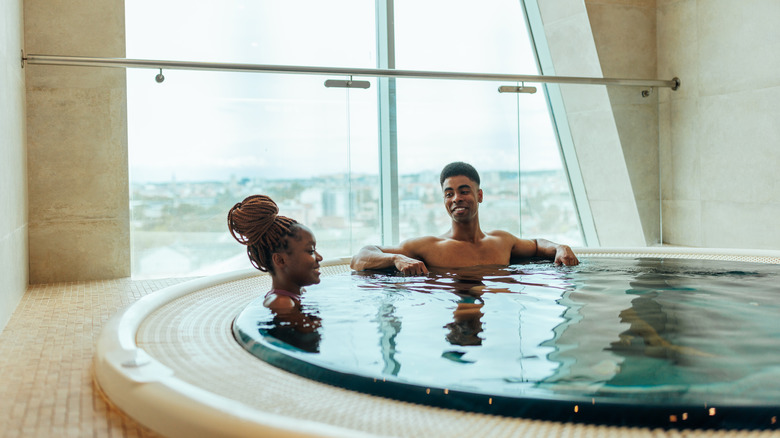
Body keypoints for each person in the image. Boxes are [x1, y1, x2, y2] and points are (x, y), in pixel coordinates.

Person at [350, 161, 579, 275]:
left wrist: (560, 247)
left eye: (464, 191)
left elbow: (538, 245)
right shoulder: (427, 246)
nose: (456, 198)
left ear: (479, 195)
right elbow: (360, 257)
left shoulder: (502, 241)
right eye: (449, 193)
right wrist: (395, 260)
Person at [227, 194, 323, 312]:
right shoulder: (282, 303)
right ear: (280, 260)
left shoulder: (297, 294)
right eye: (311, 251)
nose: (320, 257)